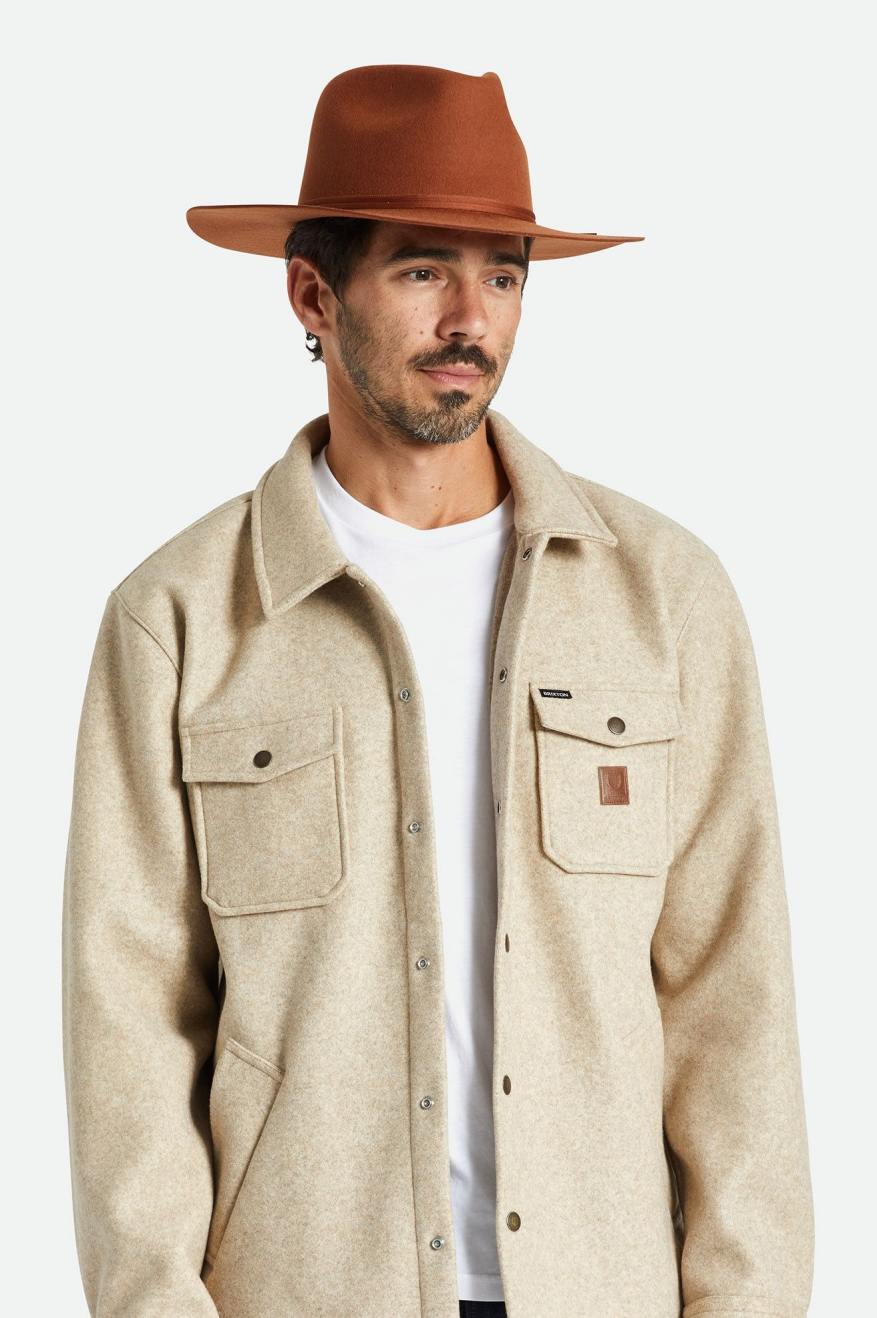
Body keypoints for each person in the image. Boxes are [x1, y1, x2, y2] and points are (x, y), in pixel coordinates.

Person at [61, 64, 815, 1318]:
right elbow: (127, 1027)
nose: (472, 317)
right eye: (422, 271)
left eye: (503, 275)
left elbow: (734, 1002)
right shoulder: (179, 620)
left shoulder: (663, 600)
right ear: (314, 293)